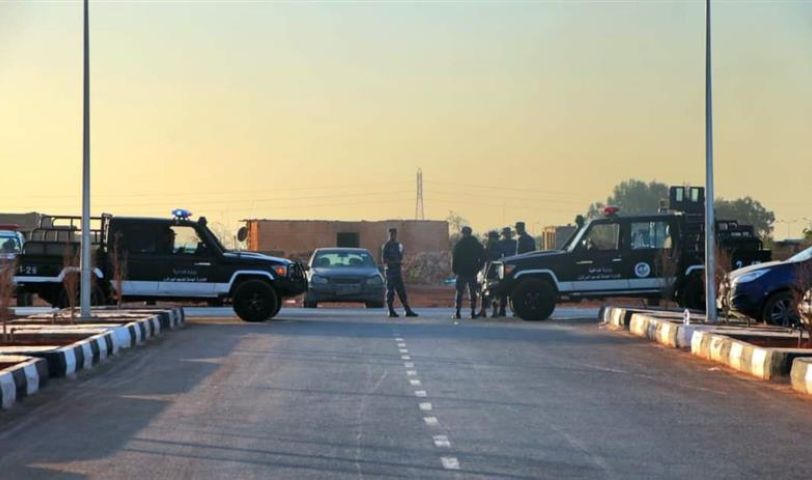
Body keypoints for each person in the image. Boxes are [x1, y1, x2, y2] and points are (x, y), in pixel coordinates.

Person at [381, 228, 418, 318]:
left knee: (402, 291)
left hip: (397, 271)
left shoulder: (398, 245)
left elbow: (400, 256)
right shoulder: (386, 246)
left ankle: (407, 310)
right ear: (389, 235)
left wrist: (401, 257)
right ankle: (390, 310)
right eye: (391, 234)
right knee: (390, 291)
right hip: (390, 271)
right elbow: (384, 260)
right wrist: (394, 263)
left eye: (394, 234)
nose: (393, 236)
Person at [451, 226, 485, 319]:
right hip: (472, 272)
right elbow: (482, 258)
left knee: (459, 293)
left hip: (461, 272)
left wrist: (455, 269)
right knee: (472, 293)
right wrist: (478, 268)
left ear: (463, 233)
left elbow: (454, 259)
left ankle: (458, 312)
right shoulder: (476, 244)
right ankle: (472, 312)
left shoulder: (459, 245)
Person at [493, 227, 518, 317]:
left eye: (508, 233)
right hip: (504, 269)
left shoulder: (514, 243)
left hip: (513, 268)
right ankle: (502, 309)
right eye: (505, 233)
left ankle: (515, 310)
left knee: (513, 291)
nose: (506, 235)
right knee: (502, 291)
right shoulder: (501, 244)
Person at [478, 230, 501, 318]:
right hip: (487, 272)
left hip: (494, 273)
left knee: (493, 292)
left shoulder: (496, 248)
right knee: (485, 292)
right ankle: (484, 310)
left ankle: (494, 311)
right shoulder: (488, 247)